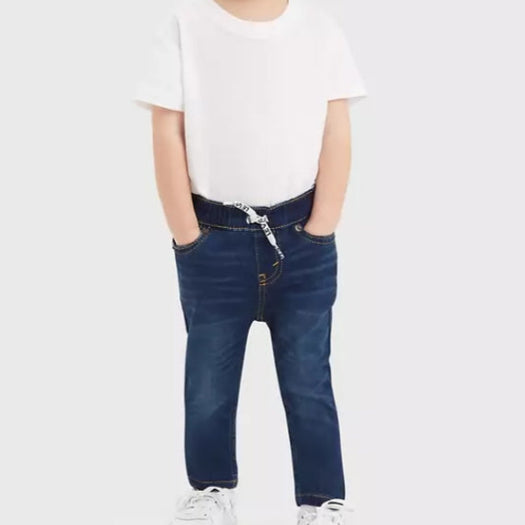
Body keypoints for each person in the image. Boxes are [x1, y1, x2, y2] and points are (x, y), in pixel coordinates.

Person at [133, 0, 368, 523]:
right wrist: (187, 234)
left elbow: (336, 127)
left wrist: (323, 225)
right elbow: (167, 130)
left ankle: (321, 499)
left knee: (309, 380)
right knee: (208, 383)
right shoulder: (185, 27)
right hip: (213, 241)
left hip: (302, 239)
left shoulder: (319, 29)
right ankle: (211, 490)